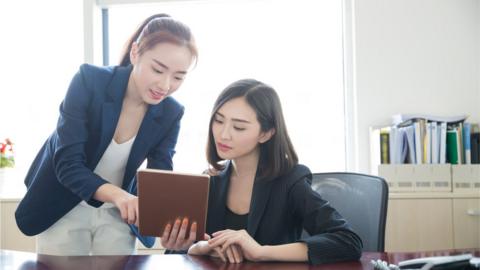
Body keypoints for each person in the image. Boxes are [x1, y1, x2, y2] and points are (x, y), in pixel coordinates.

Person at [14, 13, 198, 256]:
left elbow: (159, 176)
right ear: (135, 53)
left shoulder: (171, 112)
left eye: (178, 77)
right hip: (63, 205)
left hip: (117, 214)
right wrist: (119, 196)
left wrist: (169, 223)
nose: (165, 85)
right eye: (158, 69)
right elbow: (67, 164)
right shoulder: (89, 81)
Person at [161, 79, 363, 264]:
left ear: (266, 133)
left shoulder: (290, 181)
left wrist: (261, 251)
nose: (223, 134)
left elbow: (348, 241)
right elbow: (178, 254)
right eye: (219, 120)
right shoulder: (209, 181)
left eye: (239, 127)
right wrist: (196, 248)